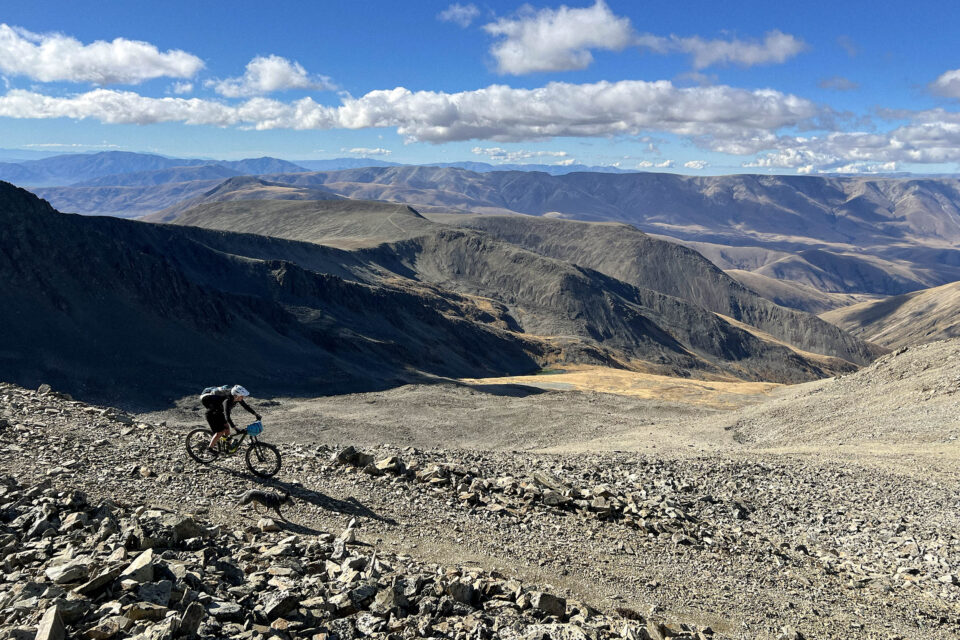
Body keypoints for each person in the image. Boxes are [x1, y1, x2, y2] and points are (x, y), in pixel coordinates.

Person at [202, 385, 261, 453]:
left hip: (218, 411)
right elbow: (227, 417)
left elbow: (245, 406)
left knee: (227, 428)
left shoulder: (236, 398)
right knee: (220, 432)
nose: (243, 397)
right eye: (242, 396)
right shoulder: (227, 401)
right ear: (236, 395)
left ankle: (227, 447)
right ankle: (209, 449)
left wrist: (256, 414)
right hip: (211, 413)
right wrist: (235, 428)